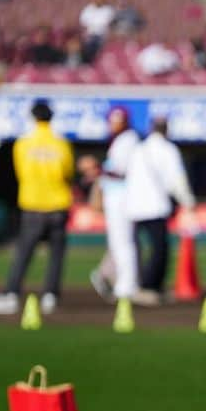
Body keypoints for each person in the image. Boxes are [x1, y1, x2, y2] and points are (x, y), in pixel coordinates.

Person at [0, 99, 73, 315]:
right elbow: (67, 172)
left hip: (33, 204)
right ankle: (50, 296)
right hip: (58, 204)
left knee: (24, 252)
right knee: (56, 254)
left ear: (33, 117)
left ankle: (12, 294)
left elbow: (21, 173)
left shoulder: (23, 144)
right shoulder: (61, 144)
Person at [124, 116, 196, 304]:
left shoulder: (139, 149)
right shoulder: (168, 150)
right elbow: (176, 179)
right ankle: (150, 287)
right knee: (160, 249)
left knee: (136, 248)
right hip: (155, 206)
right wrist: (187, 201)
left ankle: (137, 284)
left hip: (135, 207)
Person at [92, 106, 140, 303]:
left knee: (123, 241)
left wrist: (97, 171)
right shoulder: (120, 141)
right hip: (115, 195)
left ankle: (126, 284)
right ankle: (120, 280)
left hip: (122, 196)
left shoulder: (128, 140)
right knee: (118, 242)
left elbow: (121, 172)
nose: (114, 124)